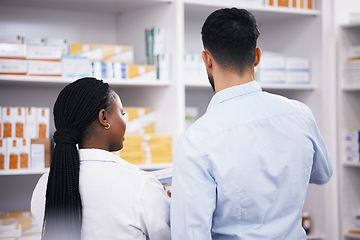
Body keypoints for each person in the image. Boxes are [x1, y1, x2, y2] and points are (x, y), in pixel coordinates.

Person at [170, 8, 333, 240]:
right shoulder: (299, 114)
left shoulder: (196, 141)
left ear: (206, 59)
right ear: (257, 56)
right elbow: (323, 173)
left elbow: (189, 235)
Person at [31, 77, 171, 240]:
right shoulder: (141, 185)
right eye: (122, 113)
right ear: (104, 118)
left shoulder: (45, 184)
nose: (125, 121)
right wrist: (166, 206)